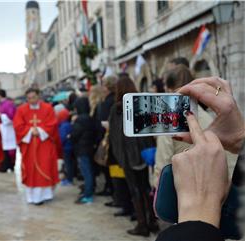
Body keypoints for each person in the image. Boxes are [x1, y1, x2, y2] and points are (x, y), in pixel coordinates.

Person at [156, 77, 245, 241]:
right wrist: (240, 139)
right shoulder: (210, 117)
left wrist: (198, 214)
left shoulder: (169, 123)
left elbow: (161, 162)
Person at [154, 65, 238, 186]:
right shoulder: (212, 117)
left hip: (185, 192)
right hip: (217, 189)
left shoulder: (168, 121)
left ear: (170, 89)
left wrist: (158, 191)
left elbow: (162, 169)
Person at [108, 74, 158, 237]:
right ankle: (152, 221)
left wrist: (119, 156)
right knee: (145, 187)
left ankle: (142, 224)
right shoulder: (142, 104)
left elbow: (115, 136)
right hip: (144, 153)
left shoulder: (117, 109)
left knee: (135, 189)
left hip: (128, 156)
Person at [13, 88, 60, 205]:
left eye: (33, 97)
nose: (31, 100)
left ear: (38, 96)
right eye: (28, 98)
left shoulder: (48, 108)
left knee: (45, 166)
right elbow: (17, 125)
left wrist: (39, 130)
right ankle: (32, 196)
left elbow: (53, 124)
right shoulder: (21, 110)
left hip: (45, 144)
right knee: (30, 169)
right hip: (28, 145)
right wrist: (30, 131)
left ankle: (45, 195)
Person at [70, 97, 97, 204]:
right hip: (90, 148)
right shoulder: (91, 118)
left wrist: (70, 135)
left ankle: (87, 195)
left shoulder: (80, 120)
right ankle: (89, 191)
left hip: (82, 149)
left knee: (86, 173)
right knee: (90, 171)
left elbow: (75, 134)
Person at [0, 89, 17, 173]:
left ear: (0, 95)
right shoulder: (0, 104)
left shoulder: (8, 104)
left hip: (8, 128)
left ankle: (9, 165)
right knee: (4, 146)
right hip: (2, 128)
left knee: (9, 147)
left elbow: (12, 116)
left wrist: (1, 116)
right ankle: (5, 165)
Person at [57, 108, 74, 186]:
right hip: (70, 147)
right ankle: (69, 178)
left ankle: (69, 179)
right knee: (69, 163)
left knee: (67, 164)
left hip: (66, 148)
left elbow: (62, 138)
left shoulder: (63, 126)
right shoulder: (68, 124)